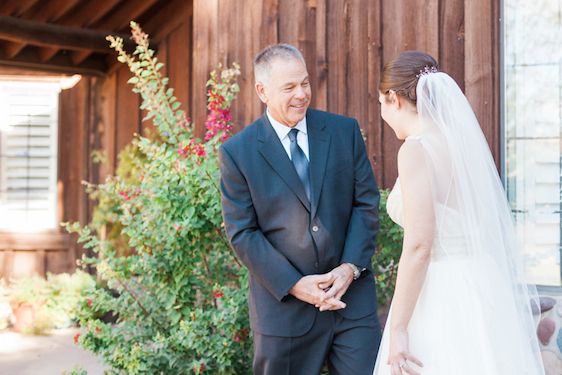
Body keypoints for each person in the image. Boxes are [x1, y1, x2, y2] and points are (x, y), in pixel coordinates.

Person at [373, 51, 545, 375]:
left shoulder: (415, 150)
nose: (382, 112)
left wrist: (398, 328)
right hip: (483, 282)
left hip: (442, 291)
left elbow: (420, 245)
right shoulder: (463, 147)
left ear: (394, 99)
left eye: (381, 103)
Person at [219, 43, 382, 374]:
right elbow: (243, 232)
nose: (301, 94)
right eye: (289, 87)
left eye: (305, 83)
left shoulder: (343, 131)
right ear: (262, 91)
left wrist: (349, 268)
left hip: (352, 304)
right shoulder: (238, 152)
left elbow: (365, 204)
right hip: (285, 313)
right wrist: (295, 284)